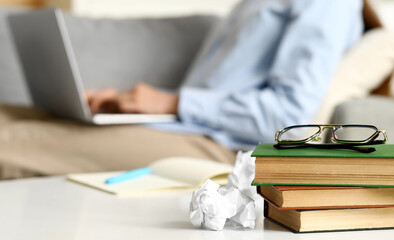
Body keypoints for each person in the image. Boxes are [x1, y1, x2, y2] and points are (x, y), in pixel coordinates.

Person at [0, 0, 363, 179]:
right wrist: (136, 104)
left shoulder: (327, 4)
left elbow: (288, 119)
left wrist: (172, 101)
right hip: (180, 125)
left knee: (10, 142)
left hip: (219, 148)